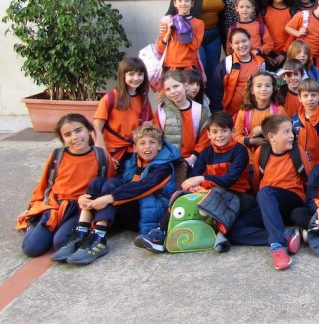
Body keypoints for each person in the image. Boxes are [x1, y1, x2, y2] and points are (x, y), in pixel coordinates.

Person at [51, 123, 180, 265]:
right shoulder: (132, 161)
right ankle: (81, 231)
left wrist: (109, 198)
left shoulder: (164, 167)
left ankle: (99, 237)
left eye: (152, 143)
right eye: (142, 143)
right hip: (131, 207)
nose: (147, 147)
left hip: (149, 211)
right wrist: (85, 197)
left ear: (160, 146)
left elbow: (141, 187)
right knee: (99, 182)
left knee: (111, 186)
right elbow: (118, 180)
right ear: (135, 148)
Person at [135, 112, 255, 253]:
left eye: (224, 131)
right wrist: (196, 184)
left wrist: (202, 180)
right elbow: (194, 174)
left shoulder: (239, 151)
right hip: (213, 190)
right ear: (209, 134)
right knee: (181, 195)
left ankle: (220, 235)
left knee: (216, 196)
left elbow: (229, 180)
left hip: (237, 193)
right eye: (215, 132)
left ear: (233, 131)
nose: (219, 136)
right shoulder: (207, 152)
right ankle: (159, 234)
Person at [17, 114, 112, 257]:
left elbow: (108, 184)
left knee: (60, 243)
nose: (75, 137)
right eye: (68, 134)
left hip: (80, 209)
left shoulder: (102, 156)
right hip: (56, 207)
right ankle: (38, 223)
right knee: (31, 249)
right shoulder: (57, 156)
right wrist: (31, 208)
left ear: (89, 130)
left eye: (78, 130)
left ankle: (64, 231)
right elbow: (44, 185)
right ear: (63, 139)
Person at [254, 114, 311, 270]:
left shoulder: (296, 152)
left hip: (291, 199)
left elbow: (309, 180)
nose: (292, 135)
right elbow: (256, 180)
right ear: (272, 137)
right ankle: (286, 236)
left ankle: (277, 245)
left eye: (291, 131)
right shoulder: (261, 153)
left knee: (265, 192)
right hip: (269, 206)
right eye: (286, 132)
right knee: (236, 228)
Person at [166, 0, 225, 83]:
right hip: (194, 35)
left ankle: (211, 102)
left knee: (213, 72)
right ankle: (198, 101)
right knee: (198, 71)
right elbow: (170, 12)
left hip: (214, 35)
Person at [93, 57, 153, 164]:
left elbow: (144, 130)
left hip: (134, 154)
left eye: (140, 74)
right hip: (112, 154)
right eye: (131, 74)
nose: (136, 78)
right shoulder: (110, 98)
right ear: (122, 75)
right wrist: (105, 157)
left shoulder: (144, 101)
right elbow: (96, 130)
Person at [233, 70, 285, 189]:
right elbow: (236, 137)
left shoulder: (279, 110)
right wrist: (251, 141)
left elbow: (285, 134)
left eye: (268, 86)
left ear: (273, 89)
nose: (263, 89)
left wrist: (263, 129)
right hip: (250, 162)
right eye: (259, 86)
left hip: (274, 162)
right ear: (252, 90)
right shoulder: (244, 112)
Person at [154, 70, 211, 173]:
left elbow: (205, 138)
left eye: (176, 86)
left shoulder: (199, 110)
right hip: (167, 161)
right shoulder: (161, 111)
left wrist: (193, 157)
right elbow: (156, 137)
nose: (173, 91)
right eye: (168, 89)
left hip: (193, 160)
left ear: (185, 86)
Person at [291, 78, 319, 170]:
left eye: (313, 95)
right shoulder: (294, 120)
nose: (310, 99)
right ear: (299, 98)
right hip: (300, 164)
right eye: (305, 96)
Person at [158, 0, 204, 72]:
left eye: (187, 0)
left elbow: (195, 46)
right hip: (170, 65)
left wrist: (184, 28)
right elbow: (160, 48)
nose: (183, 3)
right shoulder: (168, 21)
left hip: (189, 65)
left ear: (192, 3)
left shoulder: (199, 23)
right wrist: (169, 31)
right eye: (180, 0)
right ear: (174, 3)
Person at [261, 0, 297, 70]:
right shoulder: (263, 11)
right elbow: (260, 35)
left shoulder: (293, 12)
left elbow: (294, 35)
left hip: (289, 53)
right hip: (268, 54)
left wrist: (283, 54)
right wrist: (266, 56)